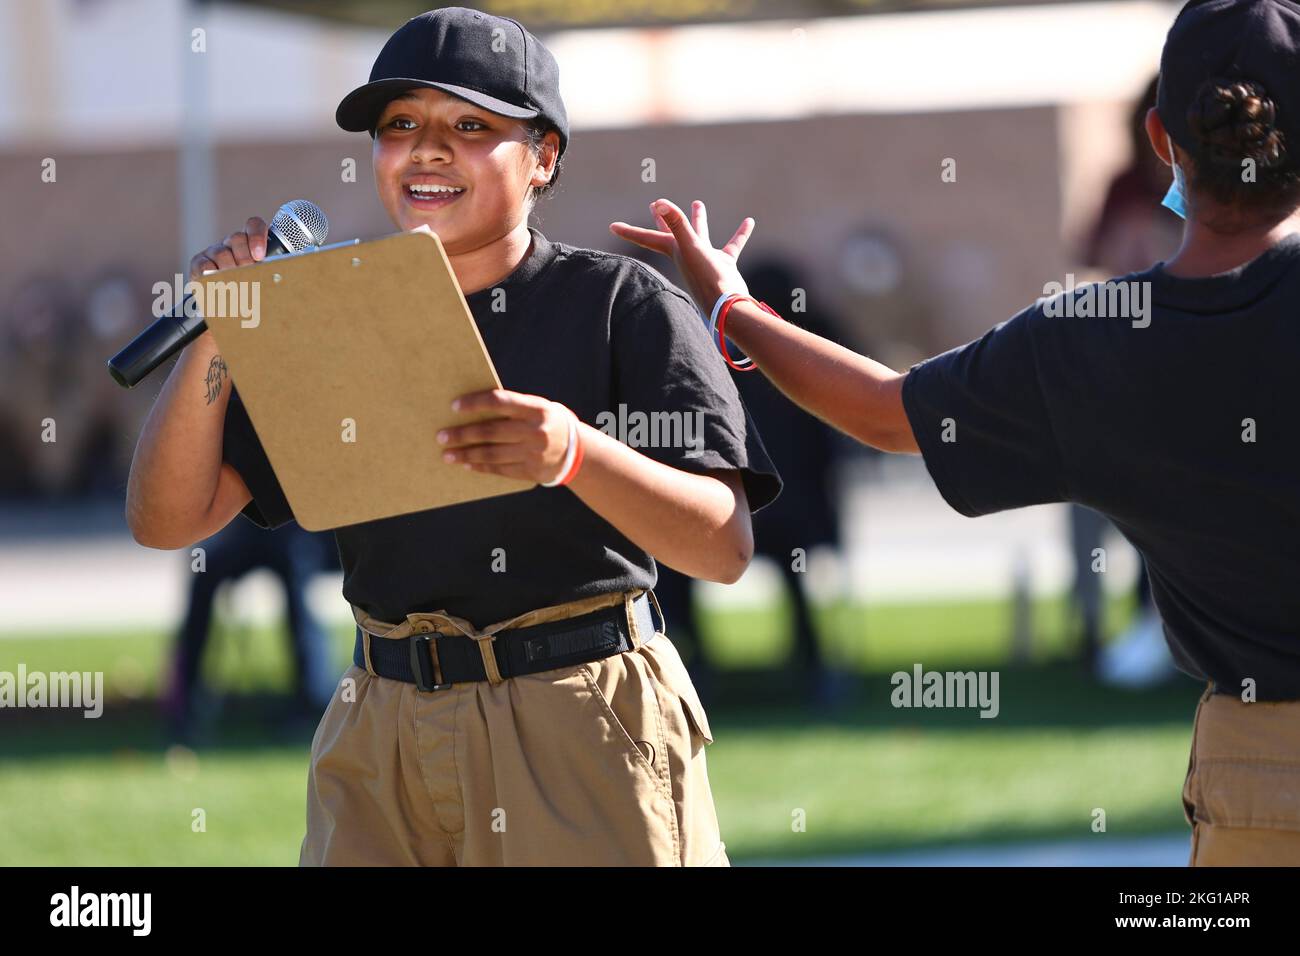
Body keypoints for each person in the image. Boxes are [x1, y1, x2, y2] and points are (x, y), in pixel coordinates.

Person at [612, 0, 1300, 866]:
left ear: (1161, 140)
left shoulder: (1091, 338)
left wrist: (731, 308)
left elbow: (883, 411)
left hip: (1265, 774)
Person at [126, 6, 780, 866]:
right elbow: (167, 520)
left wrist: (575, 454)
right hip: (381, 725)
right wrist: (221, 330)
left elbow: (724, 545)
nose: (427, 149)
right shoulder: (334, 313)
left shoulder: (622, 304)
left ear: (544, 156)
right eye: (401, 126)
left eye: (470, 126)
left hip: (577, 714)